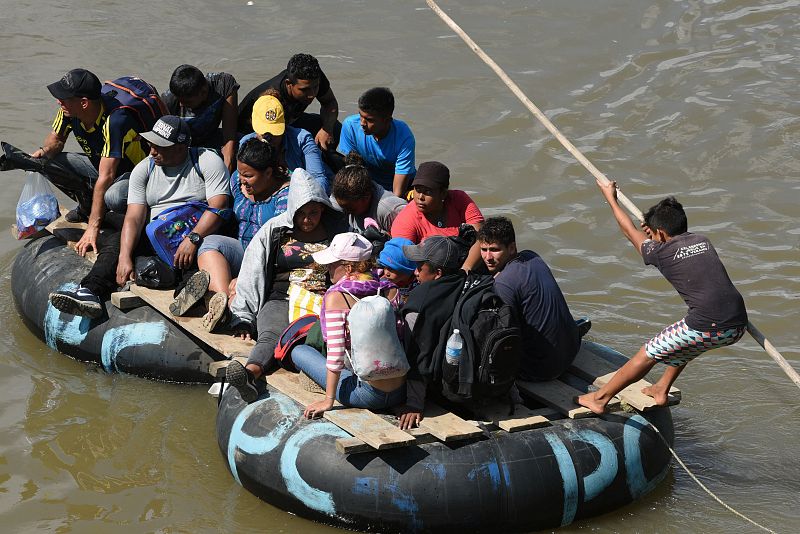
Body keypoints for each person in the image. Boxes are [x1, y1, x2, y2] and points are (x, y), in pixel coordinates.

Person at [577, 180, 748, 414]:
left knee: (647, 354)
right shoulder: (702, 241)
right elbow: (667, 240)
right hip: (737, 325)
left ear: (660, 233)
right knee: (686, 342)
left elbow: (629, 230)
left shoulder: (661, 252)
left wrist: (611, 198)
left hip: (709, 325)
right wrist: (654, 232)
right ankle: (661, 389)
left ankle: (599, 398)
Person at [48, 116, 230, 318]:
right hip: (158, 231)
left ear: (181, 147)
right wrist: (125, 257)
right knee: (117, 242)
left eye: (159, 146)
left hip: (197, 230)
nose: (152, 151)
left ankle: (188, 296)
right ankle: (90, 291)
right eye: (150, 144)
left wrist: (193, 238)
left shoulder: (206, 161)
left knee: (191, 257)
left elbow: (219, 207)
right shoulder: (145, 168)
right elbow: (134, 217)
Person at [225, 168, 348, 402]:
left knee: (322, 339)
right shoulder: (275, 230)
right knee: (271, 335)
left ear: (322, 208)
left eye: (313, 212)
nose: (307, 219)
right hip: (282, 297)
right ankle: (250, 375)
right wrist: (243, 315)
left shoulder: (337, 231)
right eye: (302, 213)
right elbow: (253, 269)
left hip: (323, 299)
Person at [31, 68, 149, 255]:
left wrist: (93, 228)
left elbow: (106, 176)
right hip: (103, 166)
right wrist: (41, 154)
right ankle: (87, 206)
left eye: (64, 98)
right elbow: (56, 141)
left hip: (134, 175)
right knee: (49, 163)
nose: (58, 101)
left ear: (84, 103)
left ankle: (129, 219)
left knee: (113, 196)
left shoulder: (115, 121)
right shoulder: (69, 111)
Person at [289, 232, 406, 418]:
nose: (327, 269)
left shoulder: (338, 296)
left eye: (332, 265)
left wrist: (328, 401)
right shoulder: (390, 289)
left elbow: (335, 354)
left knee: (299, 352)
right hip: (401, 391)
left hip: (366, 394)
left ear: (349, 268)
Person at [197, 137, 290, 332]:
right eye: (240, 173)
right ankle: (220, 304)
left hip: (267, 262)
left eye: (248, 175)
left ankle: (233, 310)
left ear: (268, 173)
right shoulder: (236, 183)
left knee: (242, 296)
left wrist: (243, 279)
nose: (242, 180)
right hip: (242, 251)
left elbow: (280, 244)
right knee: (210, 244)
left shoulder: (285, 196)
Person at [477, 216, 580, 380]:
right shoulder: (532, 256)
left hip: (541, 369)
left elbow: (506, 338)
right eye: (483, 249)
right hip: (573, 349)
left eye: (495, 250)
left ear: (511, 248)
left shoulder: (503, 285)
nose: (488, 257)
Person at [394, 225, 476, 430]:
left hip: (444, 386)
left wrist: (414, 403)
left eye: (420, 267)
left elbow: (417, 353)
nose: (414, 272)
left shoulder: (421, 301)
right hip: (474, 378)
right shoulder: (469, 281)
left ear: (438, 272)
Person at [390, 161, 484, 270]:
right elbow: (402, 260)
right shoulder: (406, 220)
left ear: (443, 193)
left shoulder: (459, 199)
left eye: (428, 192)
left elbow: (481, 237)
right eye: (417, 190)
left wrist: (466, 269)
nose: (420, 197)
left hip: (468, 264)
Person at [238, 53, 339, 151]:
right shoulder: (272, 97)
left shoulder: (314, 78)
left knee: (335, 127)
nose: (312, 94)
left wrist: (327, 129)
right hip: (257, 132)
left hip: (288, 124)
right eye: (304, 90)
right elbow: (267, 134)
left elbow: (329, 102)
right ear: (288, 84)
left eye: (316, 87)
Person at [241, 94, 332, 193]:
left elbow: (319, 179)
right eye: (265, 132)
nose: (270, 137)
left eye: (275, 132)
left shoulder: (302, 139)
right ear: (253, 123)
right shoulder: (245, 144)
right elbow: (240, 182)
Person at [337, 87, 415, 197]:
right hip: (369, 183)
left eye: (369, 120)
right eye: (361, 116)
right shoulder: (350, 126)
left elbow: (398, 192)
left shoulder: (404, 137)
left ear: (387, 120)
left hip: (401, 186)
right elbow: (352, 168)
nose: (362, 123)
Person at [161, 64, 240, 172]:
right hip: (185, 148)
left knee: (248, 142)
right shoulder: (168, 101)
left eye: (186, 102)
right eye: (179, 100)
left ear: (203, 92)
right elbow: (166, 144)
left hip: (213, 139)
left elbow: (229, 135)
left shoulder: (223, 84)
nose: (181, 105)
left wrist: (227, 168)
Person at [330, 151, 406, 233]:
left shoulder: (389, 211)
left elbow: (412, 242)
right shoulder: (341, 198)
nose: (346, 212)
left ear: (366, 197)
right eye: (343, 208)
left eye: (350, 209)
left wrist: (385, 240)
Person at [376, 237, 418, 304]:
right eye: (385, 267)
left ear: (406, 270)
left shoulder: (418, 284)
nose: (386, 273)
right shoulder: (379, 281)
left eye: (392, 269)